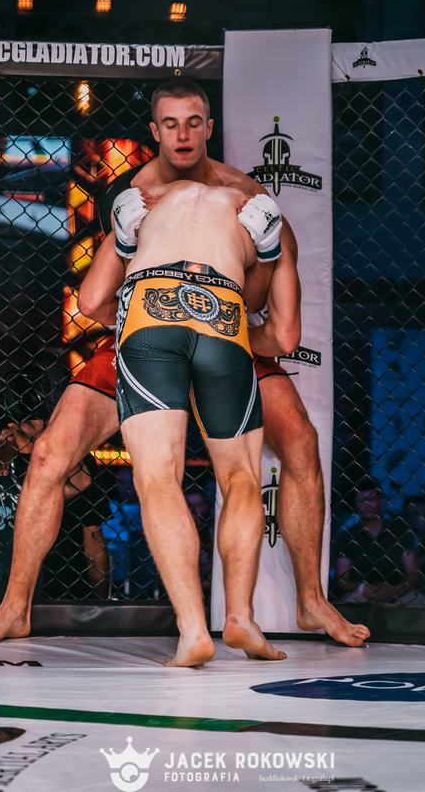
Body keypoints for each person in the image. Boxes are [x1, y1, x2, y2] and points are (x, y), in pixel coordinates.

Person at [0, 79, 368, 650]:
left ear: (208, 128)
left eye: (192, 123)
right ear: (155, 131)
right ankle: (14, 607)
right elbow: (98, 297)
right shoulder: (134, 193)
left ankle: (310, 600)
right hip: (150, 332)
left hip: (228, 333)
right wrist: (148, 313)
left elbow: (274, 304)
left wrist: (220, 305)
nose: (182, 135)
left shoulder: (246, 195)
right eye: (170, 124)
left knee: (300, 440)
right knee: (51, 452)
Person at [107, 172, 287, 666]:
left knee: (158, 476)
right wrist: (268, 252)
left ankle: (192, 631)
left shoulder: (146, 199)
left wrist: (125, 242)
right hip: (222, 308)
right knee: (242, 476)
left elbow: (96, 295)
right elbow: (261, 305)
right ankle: (241, 617)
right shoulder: (245, 205)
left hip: (153, 302)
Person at [0, 404, 108, 601]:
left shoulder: (23, 482)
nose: (10, 432)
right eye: (1, 429)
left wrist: (45, 436)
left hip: (21, 602)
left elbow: (81, 482)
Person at [332, 479, 425, 606]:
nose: (366, 505)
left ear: (381, 500)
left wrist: (393, 590)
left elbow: (413, 574)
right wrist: (363, 589)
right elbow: (342, 579)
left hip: (399, 593)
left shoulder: (400, 531)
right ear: (355, 503)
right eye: (361, 501)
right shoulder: (346, 536)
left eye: (372, 499)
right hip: (362, 594)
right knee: (347, 604)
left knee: (420, 602)